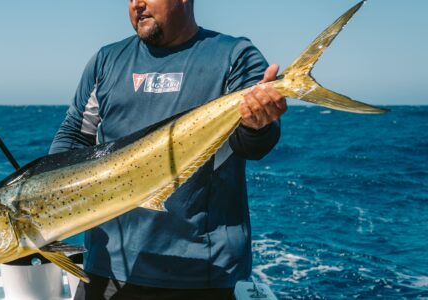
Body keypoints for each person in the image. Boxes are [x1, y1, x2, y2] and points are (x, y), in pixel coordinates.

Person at [50, 0, 286, 299]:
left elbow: (254, 145)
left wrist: (258, 124)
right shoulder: (106, 60)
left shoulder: (235, 55)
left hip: (202, 273)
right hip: (108, 266)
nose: (137, 4)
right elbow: (74, 134)